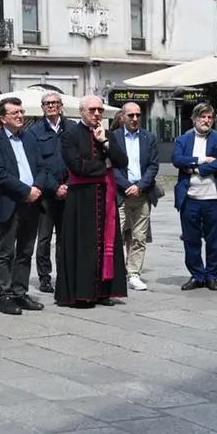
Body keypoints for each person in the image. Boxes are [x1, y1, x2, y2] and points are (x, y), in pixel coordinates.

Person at [58, 96, 128, 307]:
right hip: (81, 198)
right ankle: (83, 293)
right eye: (92, 110)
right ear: (82, 112)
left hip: (105, 195)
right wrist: (106, 165)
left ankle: (103, 292)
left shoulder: (107, 134)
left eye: (100, 110)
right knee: (83, 245)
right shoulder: (70, 134)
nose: (97, 113)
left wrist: (105, 143)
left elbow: (122, 162)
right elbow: (77, 166)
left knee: (105, 244)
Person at [0, 97, 51, 315]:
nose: (21, 116)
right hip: (9, 203)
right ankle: (5, 295)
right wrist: (26, 191)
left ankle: (20, 292)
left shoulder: (29, 138)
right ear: (3, 119)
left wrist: (37, 188)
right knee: (6, 252)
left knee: (25, 251)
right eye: (15, 113)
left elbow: (42, 166)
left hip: (32, 202)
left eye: (21, 111)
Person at [172, 103, 217, 291]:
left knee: (214, 241)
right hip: (190, 198)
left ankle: (212, 276)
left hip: (214, 198)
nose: (206, 121)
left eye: (210, 117)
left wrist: (195, 169)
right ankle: (197, 275)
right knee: (191, 239)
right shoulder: (183, 139)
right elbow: (177, 160)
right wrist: (203, 160)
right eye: (202, 117)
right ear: (195, 119)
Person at [29, 92, 75, 295]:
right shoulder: (34, 131)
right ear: (42, 107)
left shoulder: (73, 128)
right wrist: (54, 188)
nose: (51, 106)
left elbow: (78, 160)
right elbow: (37, 165)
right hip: (47, 195)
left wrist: (68, 186)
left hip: (70, 191)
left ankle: (65, 275)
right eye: (47, 103)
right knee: (45, 239)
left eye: (55, 103)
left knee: (66, 238)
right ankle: (45, 278)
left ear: (61, 105)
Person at [112, 102, 159, 292]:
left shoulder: (150, 137)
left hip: (142, 193)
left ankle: (134, 273)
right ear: (122, 116)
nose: (134, 119)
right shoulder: (113, 137)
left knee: (139, 237)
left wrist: (139, 186)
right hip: (121, 194)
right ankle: (115, 272)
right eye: (130, 115)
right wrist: (127, 186)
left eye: (138, 115)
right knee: (116, 235)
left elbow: (153, 166)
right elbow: (111, 166)